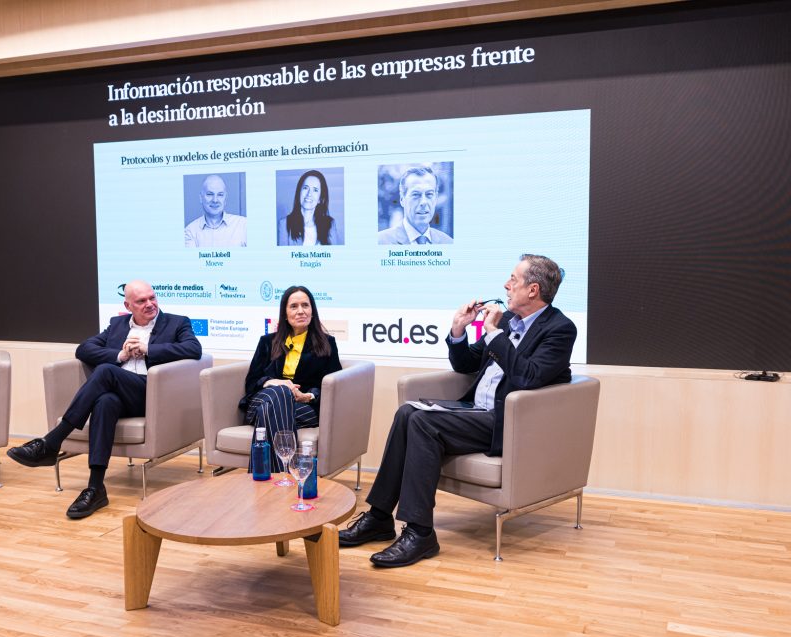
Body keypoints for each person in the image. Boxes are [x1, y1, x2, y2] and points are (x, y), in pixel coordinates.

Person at [339, 254, 576, 567]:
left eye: (513, 280)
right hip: (475, 411)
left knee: (422, 422)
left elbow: (527, 377)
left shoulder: (559, 329)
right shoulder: (507, 320)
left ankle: (420, 533)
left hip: (507, 422)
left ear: (533, 290)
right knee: (407, 413)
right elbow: (465, 364)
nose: (506, 285)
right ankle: (380, 517)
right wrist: (458, 331)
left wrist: (494, 334)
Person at [7, 280, 201, 519]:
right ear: (128, 306)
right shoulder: (117, 325)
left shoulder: (177, 323)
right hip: (120, 394)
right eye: (142, 301)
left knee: (105, 371)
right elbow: (84, 349)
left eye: (152, 297)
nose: (150, 304)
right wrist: (120, 354)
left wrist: (147, 348)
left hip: (151, 395)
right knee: (105, 402)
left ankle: (53, 441)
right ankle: (95, 487)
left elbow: (193, 349)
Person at [241, 286, 341, 471]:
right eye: (294, 306)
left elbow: (335, 386)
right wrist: (274, 383)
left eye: (305, 305)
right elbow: (251, 383)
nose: (300, 311)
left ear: (312, 311)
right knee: (280, 393)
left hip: (303, 406)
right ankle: (285, 475)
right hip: (263, 398)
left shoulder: (327, 344)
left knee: (268, 411)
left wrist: (308, 396)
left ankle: (265, 476)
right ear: (285, 314)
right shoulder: (267, 342)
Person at [377, 166, 453, 245]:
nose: (423, 202)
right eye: (416, 194)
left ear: (436, 198)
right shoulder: (380, 242)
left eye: (429, 194)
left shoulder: (448, 242)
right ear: (402, 199)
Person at [184, 174, 247, 248]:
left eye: (220, 195)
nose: (215, 200)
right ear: (201, 197)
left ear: (225, 198)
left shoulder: (244, 225)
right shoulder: (190, 231)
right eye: (209, 194)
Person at [277, 170, 338, 246]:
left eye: (315, 190)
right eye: (305, 188)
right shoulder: (284, 223)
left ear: (320, 199)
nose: (309, 194)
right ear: (299, 192)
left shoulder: (330, 224)